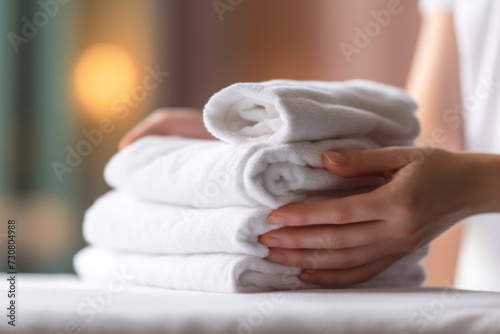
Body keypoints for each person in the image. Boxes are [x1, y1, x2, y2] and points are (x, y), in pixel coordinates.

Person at [118, 0, 500, 290]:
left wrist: (476, 184)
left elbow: (454, 169)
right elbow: (438, 132)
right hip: (483, 288)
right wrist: (249, 142)